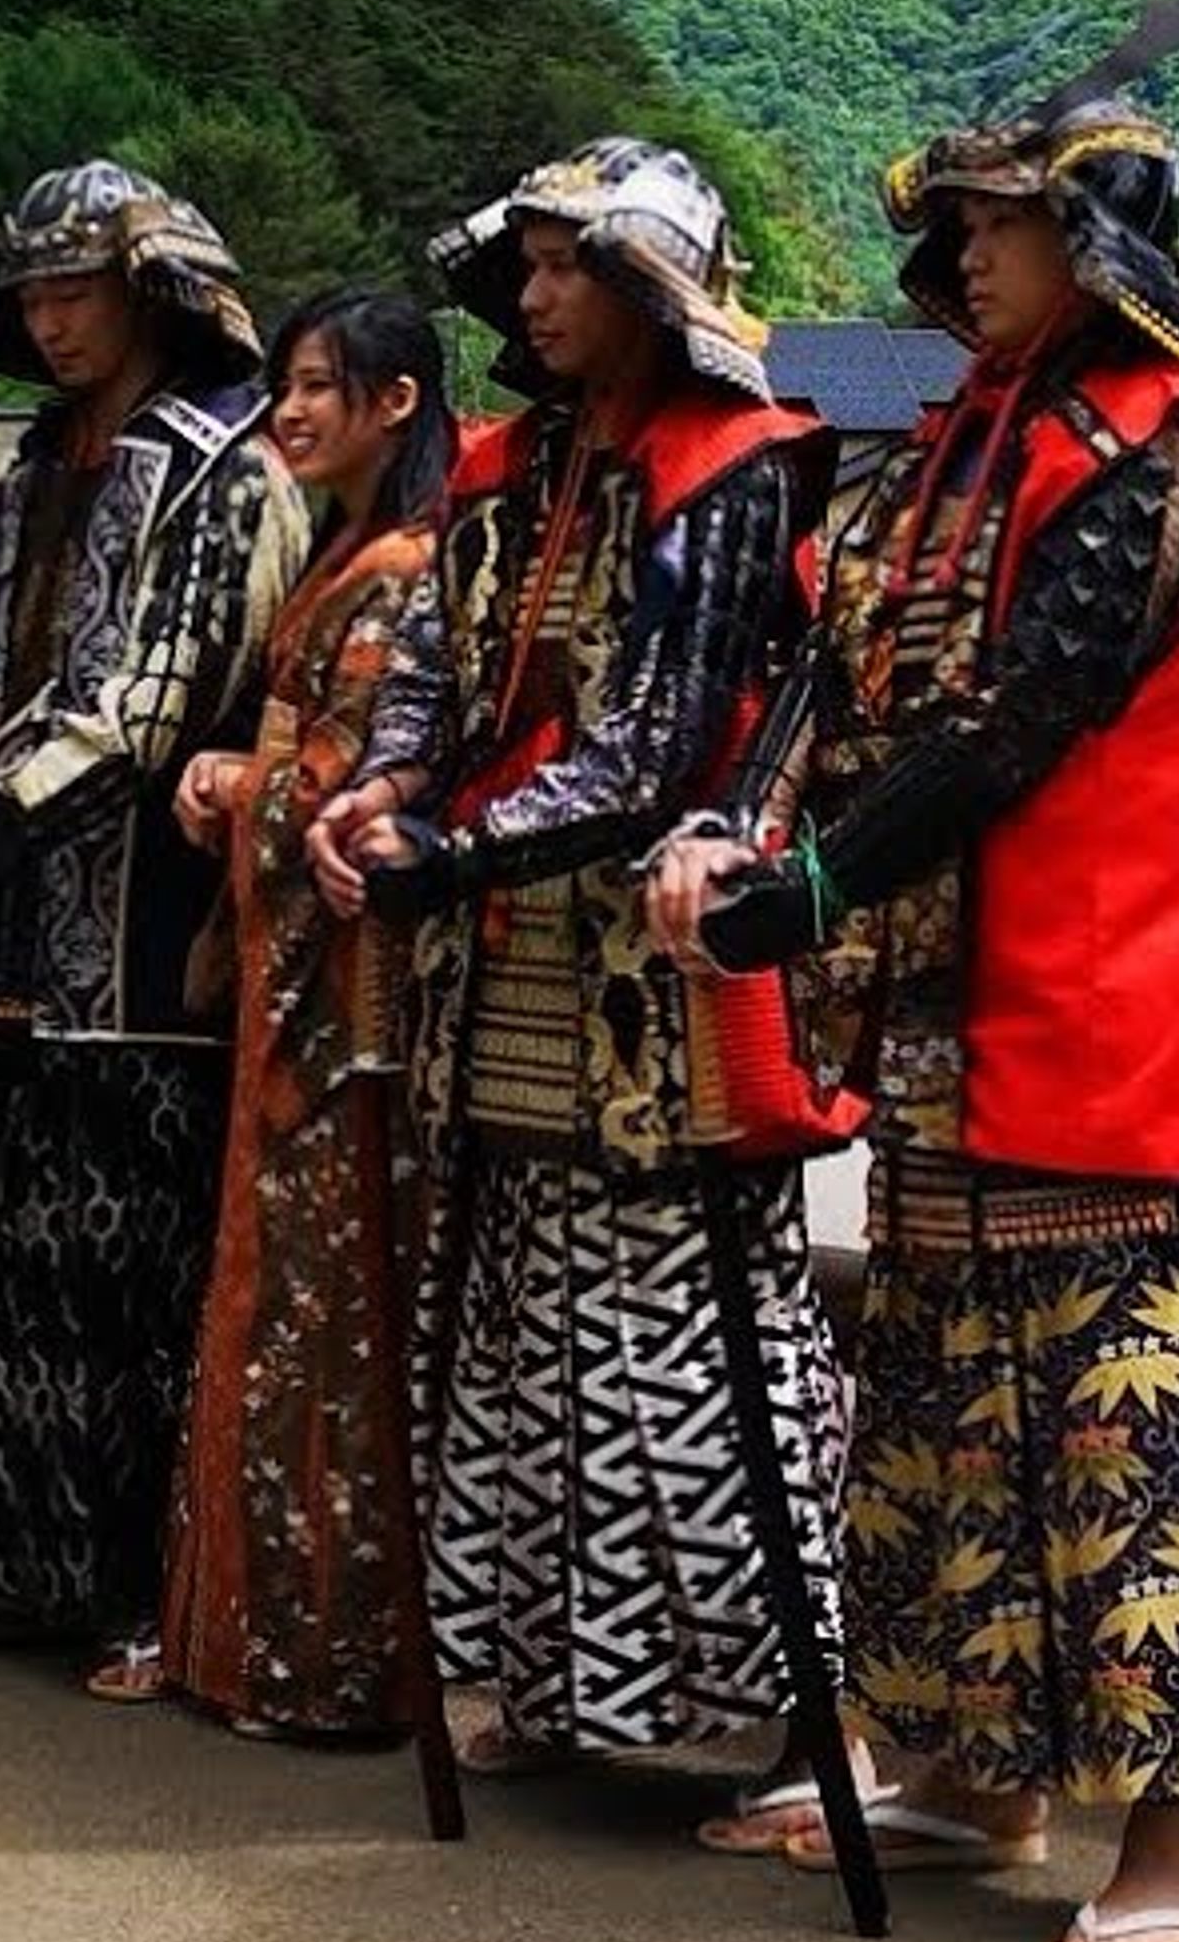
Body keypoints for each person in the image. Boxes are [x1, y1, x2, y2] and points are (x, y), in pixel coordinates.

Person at [652, 56, 1179, 1942]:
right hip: (951, 1004)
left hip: (1114, 999)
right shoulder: (974, 423)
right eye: (952, 227)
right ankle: (968, 1773)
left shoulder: (1160, 442)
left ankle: (1174, 1851)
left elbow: (1020, 719)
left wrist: (809, 888)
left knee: (1140, 1429)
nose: (957, 257)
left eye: (999, 223)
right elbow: (836, 659)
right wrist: (755, 823)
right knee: (946, 1401)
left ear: (1097, 237)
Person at [304, 141, 857, 1798]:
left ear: (644, 284)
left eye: (567, 267)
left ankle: (782, 1714)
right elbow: (431, 669)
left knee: (690, 1336)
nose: (535, 297)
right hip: (505, 957)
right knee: (522, 1331)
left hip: (658, 964)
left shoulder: (738, 461)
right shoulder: (505, 465)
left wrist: (450, 853)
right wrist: (385, 783)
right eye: (525, 268)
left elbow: (662, 739)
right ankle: (559, 1688)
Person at [0, 161, 304, 1671]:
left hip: (144, 926)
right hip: (9, 928)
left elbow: (155, 702)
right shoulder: (32, 470)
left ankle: (140, 1590)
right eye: (36, 293)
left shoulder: (224, 466)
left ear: (154, 293)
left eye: (80, 289)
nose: (54, 320)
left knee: (135, 1274)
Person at [134, 291, 456, 1734]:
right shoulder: (354, 553)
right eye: (286, 383)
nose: (294, 409)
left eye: (324, 384)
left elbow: (350, 788)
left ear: (397, 400)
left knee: (328, 1316)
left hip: (346, 1000)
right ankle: (264, 1641)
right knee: (291, 1310)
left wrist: (235, 786)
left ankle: (326, 1657)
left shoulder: (400, 567)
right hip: (294, 988)